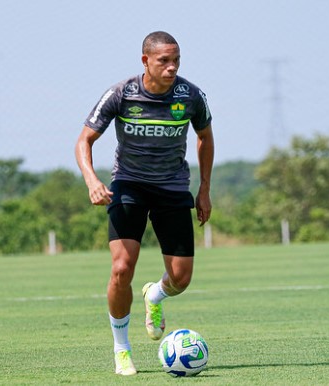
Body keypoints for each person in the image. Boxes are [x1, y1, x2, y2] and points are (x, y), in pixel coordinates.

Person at [75, 31, 214, 376]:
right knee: (122, 268)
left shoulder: (191, 95)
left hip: (172, 188)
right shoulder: (121, 94)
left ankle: (154, 296)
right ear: (145, 61)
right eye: (163, 61)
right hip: (129, 186)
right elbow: (84, 140)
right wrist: (92, 180)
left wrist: (205, 188)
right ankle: (122, 349)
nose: (171, 68)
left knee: (181, 279)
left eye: (176, 60)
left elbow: (205, 137)